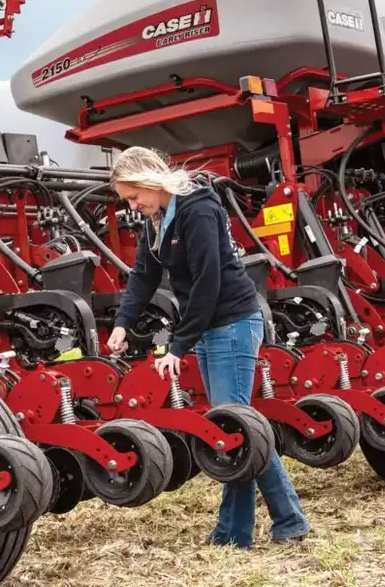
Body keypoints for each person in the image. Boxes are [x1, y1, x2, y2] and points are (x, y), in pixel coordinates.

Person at [106, 146, 310, 548]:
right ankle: (288, 520)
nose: (133, 205)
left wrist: (178, 347)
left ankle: (234, 534)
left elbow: (207, 283)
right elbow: (144, 276)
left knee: (232, 430)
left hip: (232, 323)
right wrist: (122, 324)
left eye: (133, 196)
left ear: (151, 180)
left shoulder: (196, 209)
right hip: (211, 327)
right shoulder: (157, 219)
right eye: (127, 199)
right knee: (241, 427)